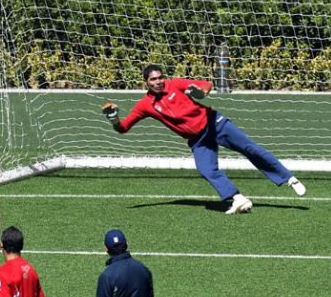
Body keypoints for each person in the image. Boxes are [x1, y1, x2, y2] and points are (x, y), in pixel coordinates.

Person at [101, 64, 306, 214]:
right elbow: (124, 128)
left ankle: (289, 178)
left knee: (250, 149)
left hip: (214, 124)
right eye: (153, 79)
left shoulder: (175, 84)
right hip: (197, 140)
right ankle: (238, 199)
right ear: (145, 82)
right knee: (206, 169)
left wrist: (200, 93)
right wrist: (114, 119)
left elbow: (206, 85)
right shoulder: (145, 105)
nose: (158, 82)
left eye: (160, 77)